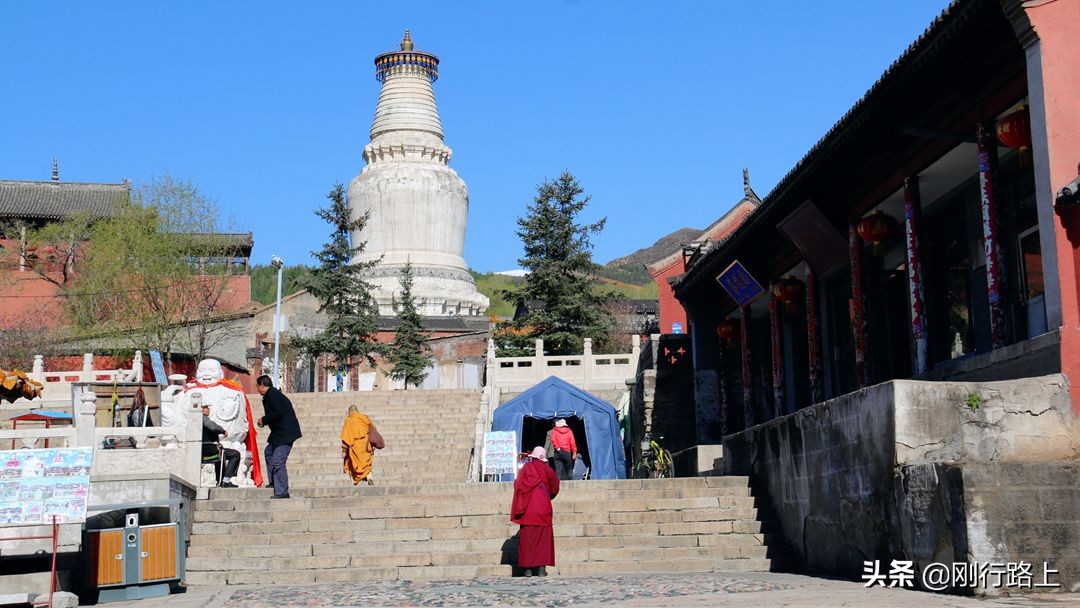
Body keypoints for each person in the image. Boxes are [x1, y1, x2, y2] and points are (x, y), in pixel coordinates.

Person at [510, 446, 560, 577]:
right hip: (543, 508)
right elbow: (554, 488)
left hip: (527, 509)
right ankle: (541, 569)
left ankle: (527, 569)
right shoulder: (548, 470)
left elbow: (518, 486)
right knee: (543, 539)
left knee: (527, 539)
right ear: (543, 458)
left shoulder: (525, 469)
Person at [255, 375, 302, 499]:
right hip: (278, 433)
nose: (257, 389)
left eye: (257, 386)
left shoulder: (273, 395)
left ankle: (282, 491)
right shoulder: (271, 394)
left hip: (285, 433)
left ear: (261, 385)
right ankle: (273, 482)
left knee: (278, 461)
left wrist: (264, 420)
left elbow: (277, 412)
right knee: (269, 452)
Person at [340, 405, 385, 485]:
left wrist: (344, 450)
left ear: (350, 412)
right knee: (366, 463)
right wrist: (373, 444)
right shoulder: (364, 417)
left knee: (353, 463)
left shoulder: (349, 419)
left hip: (354, 447)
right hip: (366, 446)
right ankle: (369, 476)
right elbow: (373, 429)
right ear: (357, 411)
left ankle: (355, 480)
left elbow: (346, 437)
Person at [202, 405, 239, 488]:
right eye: (206, 408)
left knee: (221, 455)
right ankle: (226, 480)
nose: (209, 409)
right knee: (235, 454)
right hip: (210, 450)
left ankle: (221, 480)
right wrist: (222, 430)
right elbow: (212, 427)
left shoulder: (194, 421)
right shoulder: (204, 419)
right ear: (201, 410)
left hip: (203, 451)